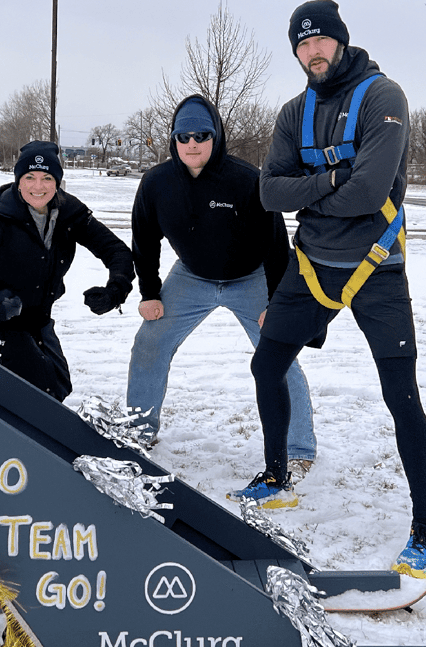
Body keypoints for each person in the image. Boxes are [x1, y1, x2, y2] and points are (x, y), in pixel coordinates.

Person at [229, 0, 426, 578]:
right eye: (302, 44)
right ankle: (277, 475)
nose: (312, 52)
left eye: (321, 41)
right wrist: (334, 179)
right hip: (313, 268)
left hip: (376, 269)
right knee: (265, 366)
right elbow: (268, 194)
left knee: (402, 397)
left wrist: (312, 186)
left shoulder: (382, 97)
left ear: (340, 42)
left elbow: (371, 192)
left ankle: (425, 528)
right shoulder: (292, 111)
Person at [126, 95, 316, 468]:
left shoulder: (246, 181)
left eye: (201, 134)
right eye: (184, 136)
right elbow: (144, 239)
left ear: (216, 136)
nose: (192, 143)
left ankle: (298, 448)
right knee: (149, 340)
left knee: (279, 352)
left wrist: (275, 305)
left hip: (252, 277)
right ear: (173, 140)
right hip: (192, 276)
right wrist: (149, 292)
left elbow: (277, 246)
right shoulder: (156, 183)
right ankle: (137, 430)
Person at [0, 141, 134, 399]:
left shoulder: (70, 214)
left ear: (58, 182)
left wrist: (115, 290)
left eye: (47, 177)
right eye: (29, 177)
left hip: (36, 317)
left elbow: (116, 250)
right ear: (18, 181)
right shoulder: (2, 216)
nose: (38, 186)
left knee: (58, 386)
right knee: (30, 390)